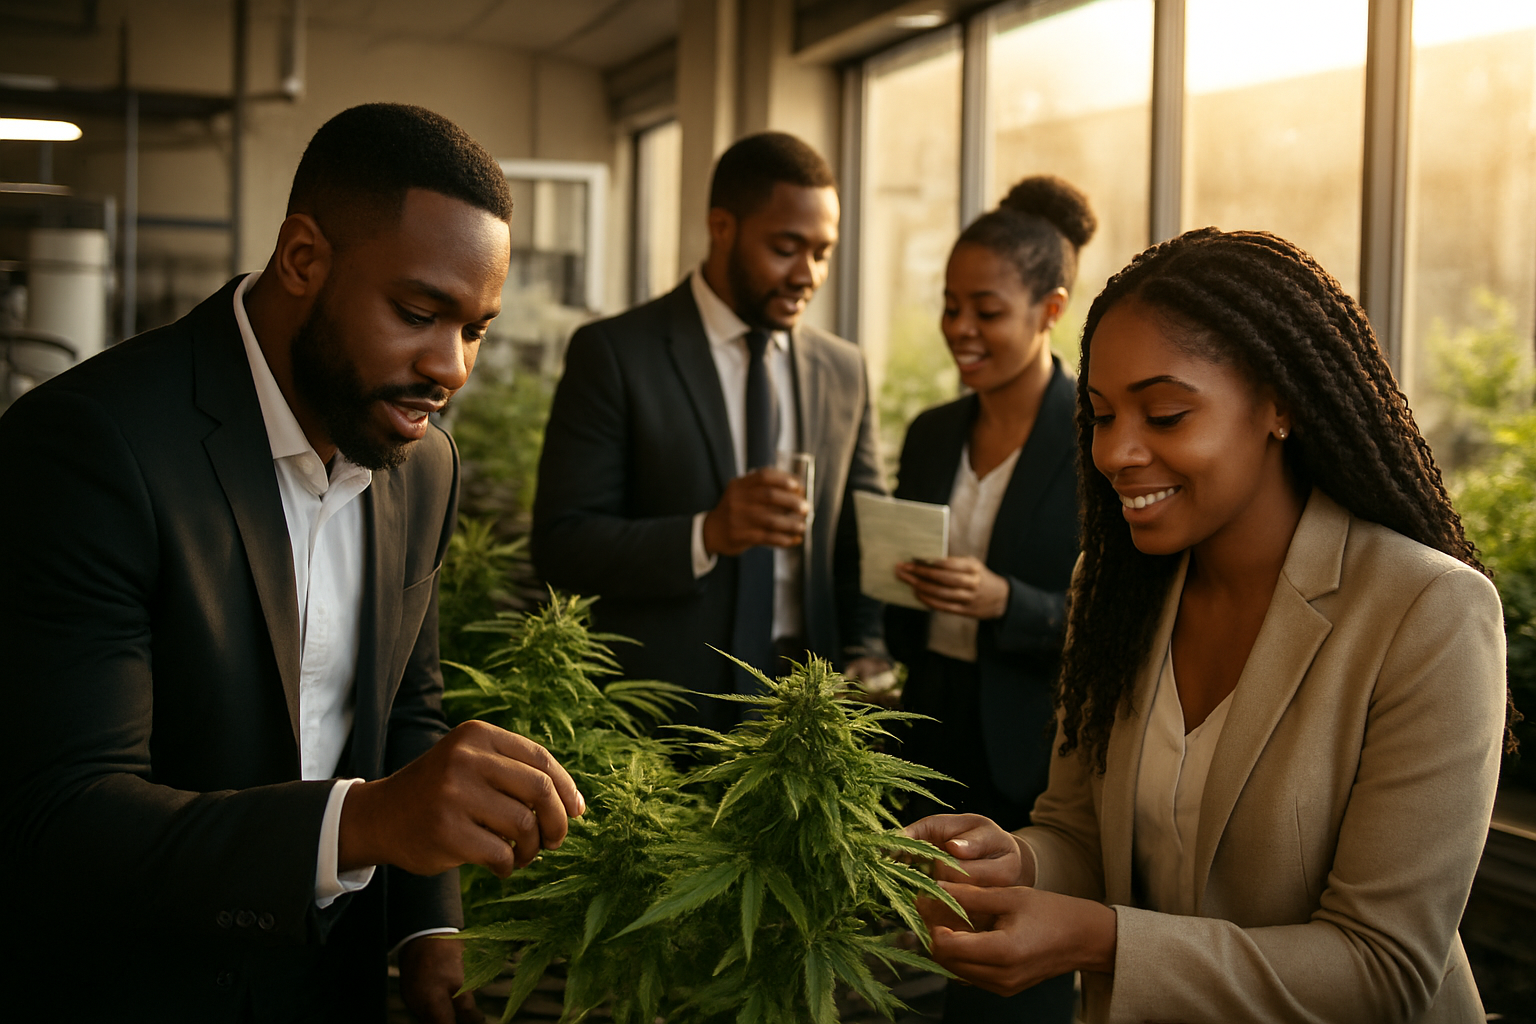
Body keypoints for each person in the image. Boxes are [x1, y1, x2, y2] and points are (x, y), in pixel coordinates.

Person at [0, 103, 585, 1024]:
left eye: (475, 329)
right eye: (419, 312)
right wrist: (370, 821)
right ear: (303, 259)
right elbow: (63, 817)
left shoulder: (422, 465)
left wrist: (426, 932)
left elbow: (406, 712)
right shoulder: (90, 445)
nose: (453, 367)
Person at [906, 228, 1510, 1022]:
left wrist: (1104, 942)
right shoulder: (1114, 589)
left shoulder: (1426, 612)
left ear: (1280, 402)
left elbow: (1383, 967)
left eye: (1164, 414)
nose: (1116, 452)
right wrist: (1014, 859)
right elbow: (1080, 832)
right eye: (1100, 416)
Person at [532, 132, 887, 733]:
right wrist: (707, 533)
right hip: (660, 714)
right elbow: (563, 545)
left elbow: (859, 531)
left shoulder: (843, 367)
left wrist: (867, 645)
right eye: (786, 247)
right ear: (722, 227)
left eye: (822, 253)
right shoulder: (616, 354)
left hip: (809, 718)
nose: (809, 274)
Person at [886, 176, 1093, 1022]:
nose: (960, 331)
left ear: (1049, 309)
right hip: (932, 726)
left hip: (1035, 751)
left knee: (1015, 984)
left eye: (986, 310)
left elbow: (1120, 619)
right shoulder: (934, 433)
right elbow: (898, 613)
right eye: (949, 307)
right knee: (911, 957)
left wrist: (1010, 601)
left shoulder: (1094, 436)